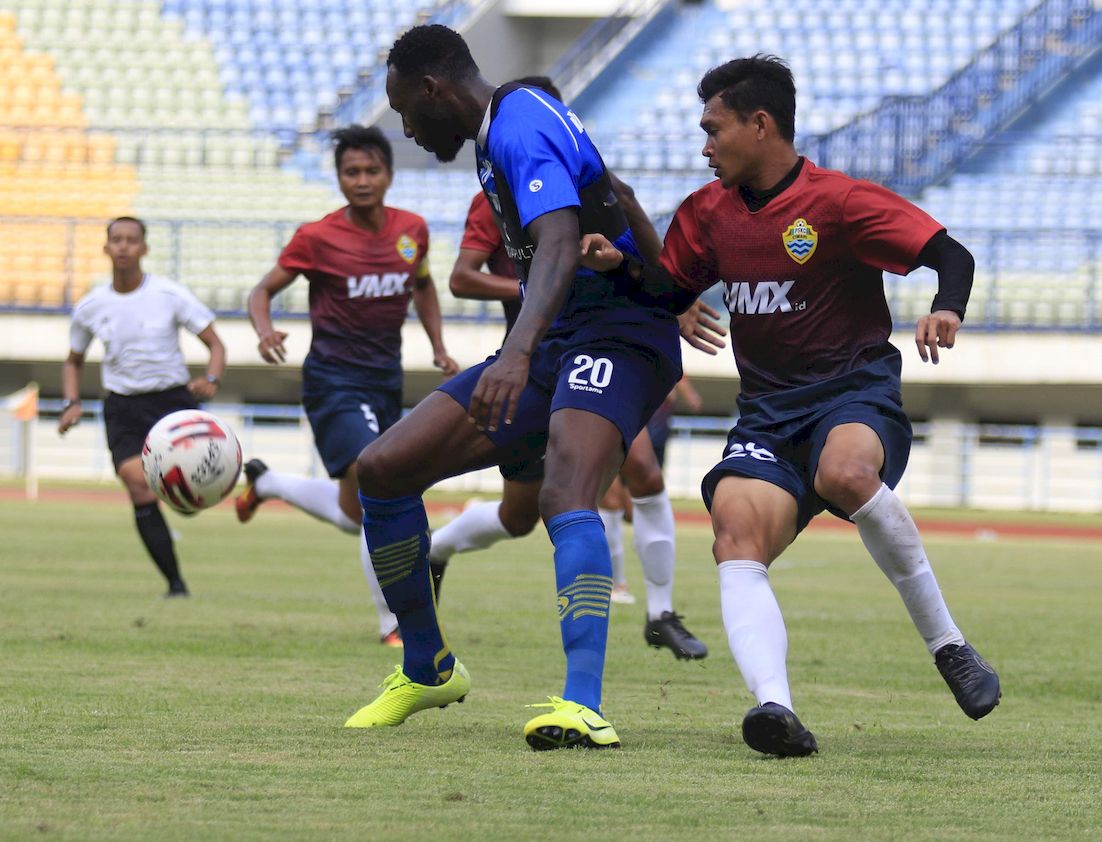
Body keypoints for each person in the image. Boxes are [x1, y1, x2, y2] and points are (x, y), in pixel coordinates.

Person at [579, 55, 1001, 757]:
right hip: (768, 415)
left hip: (852, 392)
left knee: (845, 473)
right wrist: (619, 265)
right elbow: (668, 287)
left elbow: (950, 255)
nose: (705, 146)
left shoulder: (840, 202)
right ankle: (774, 708)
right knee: (734, 533)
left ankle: (950, 647)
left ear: (760, 124)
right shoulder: (705, 213)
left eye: (713, 130)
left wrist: (946, 308)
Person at [343, 24, 692, 750]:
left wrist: (518, 352)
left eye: (405, 111)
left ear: (433, 89)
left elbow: (559, 240)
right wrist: (668, 277)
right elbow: (620, 192)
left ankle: (583, 704)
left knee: (567, 491)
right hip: (557, 337)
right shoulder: (506, 125)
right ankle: (427, 667)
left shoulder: (519, 123)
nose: (407, 130)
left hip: (615, 335)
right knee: (382, 470)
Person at [428, 75, 709, 660]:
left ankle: (660, 612)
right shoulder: (499, 186)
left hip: (597, 346)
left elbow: (629, 207)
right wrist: (537, 287)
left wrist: (670, 292)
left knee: (640, 475)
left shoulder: (588, 182)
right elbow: (461, 276)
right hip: (530, 359)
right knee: (519, 514)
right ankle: (439, 548)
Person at [234, 124, 459, 646]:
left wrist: (438, 345)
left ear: (388, 175)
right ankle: (394, 625)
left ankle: (268, 483)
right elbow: (261, 291)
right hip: (332, 380)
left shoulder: (412, 231)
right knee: (378, 479)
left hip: (384, 380)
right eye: (351, 172)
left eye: (371, 171)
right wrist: (264, 330)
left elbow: (423, 285)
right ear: (338, 179)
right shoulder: (317, 237)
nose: (361, 180)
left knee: (355, 511)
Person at [58, 216, 226, 597]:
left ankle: (183, 497)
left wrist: (212, 379)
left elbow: (216, 343)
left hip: (173, 402)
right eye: (116, 239)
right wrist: (71, 402)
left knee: (186, 497)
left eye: (131, 240)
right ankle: (175, 584)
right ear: (106, 248)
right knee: (138, 485)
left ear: (144, 248)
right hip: (123, 407)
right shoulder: (90, 306)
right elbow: (73, 361)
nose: (123, 246)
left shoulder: (169, 294)